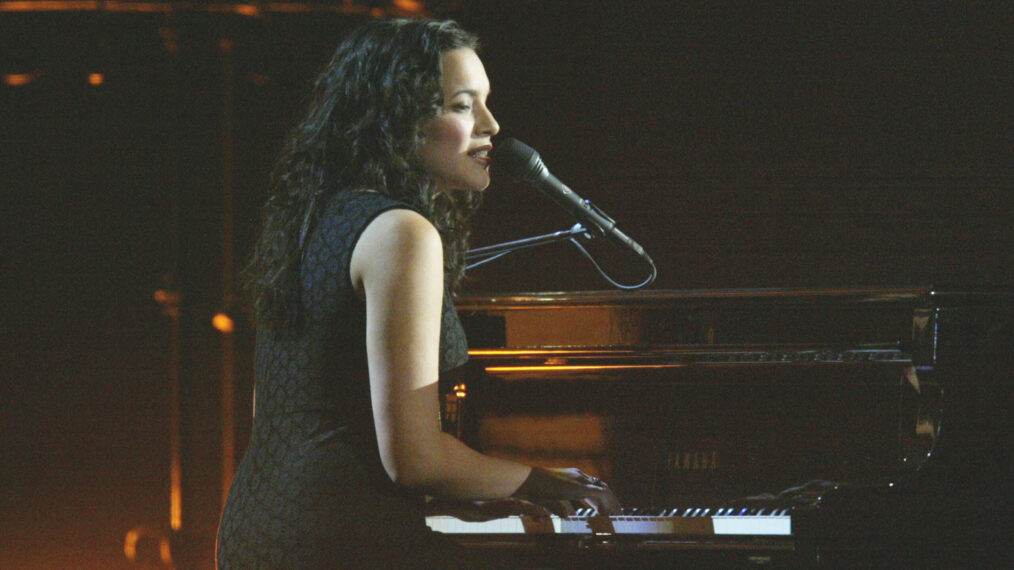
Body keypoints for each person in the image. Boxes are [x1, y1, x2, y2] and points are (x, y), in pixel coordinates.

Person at [215, 18, 620, 569]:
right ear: (395, 119)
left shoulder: (311, 218)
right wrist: (544, 481)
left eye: (486, 103)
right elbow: (415, 460)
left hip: (256, 529)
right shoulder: (402, 233)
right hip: (341, 539)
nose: (491, 125)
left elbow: (299, 413)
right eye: (461, 105)